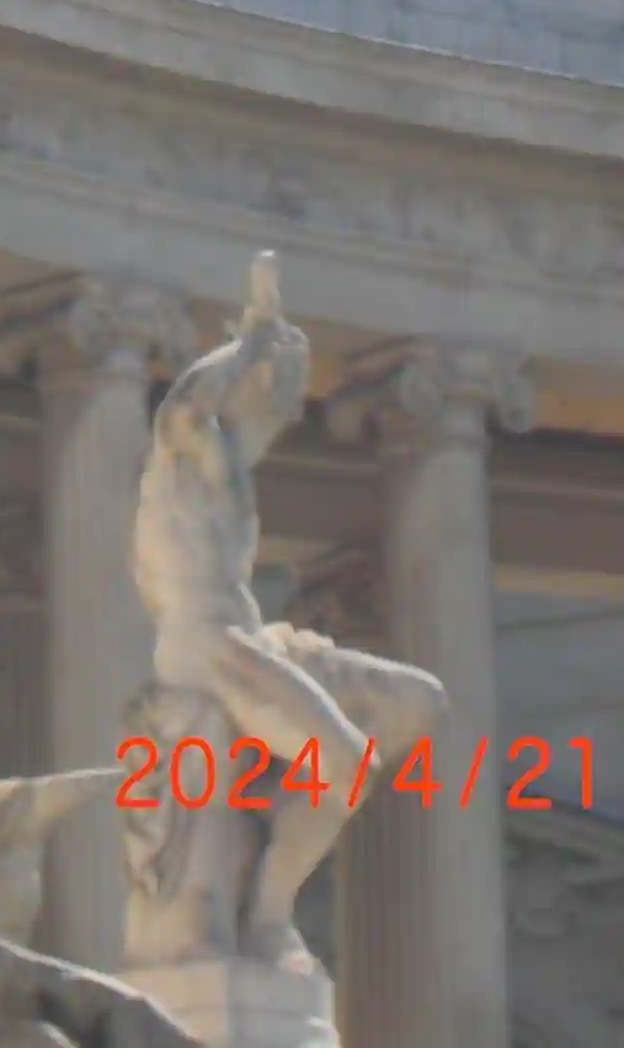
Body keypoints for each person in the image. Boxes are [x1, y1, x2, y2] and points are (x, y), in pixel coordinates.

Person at [129, 253, 438, 970]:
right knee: (347, 763)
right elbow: (183, 408)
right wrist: (250, 346)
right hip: (212, 649)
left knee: (417, 701)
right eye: (280, 390)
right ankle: (270, 904)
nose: (289, 407)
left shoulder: (230, 467)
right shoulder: (178, 461)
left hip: (255, 642)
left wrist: (272, 356)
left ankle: (274, 843)